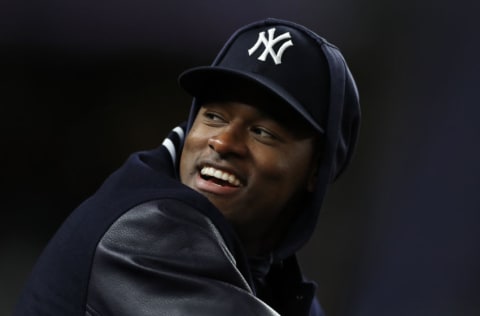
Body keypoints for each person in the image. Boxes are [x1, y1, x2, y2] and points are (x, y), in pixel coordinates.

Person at [14, 18, 360, 316]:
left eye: (262, 132)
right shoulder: (147, 230)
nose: (223, 142)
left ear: (316, 170)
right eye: (213, 117)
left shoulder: (273, 278)